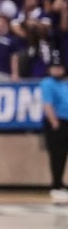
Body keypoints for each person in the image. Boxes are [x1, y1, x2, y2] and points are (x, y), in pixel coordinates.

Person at [42, 52, 68, 203]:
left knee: (63, 155)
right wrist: (54, 122)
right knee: (56, 155)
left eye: (59, 68)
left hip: (66, 122)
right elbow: (48, 103)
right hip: (57, 122)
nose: (57, 70)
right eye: (54, 68)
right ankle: (55, 185)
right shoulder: (47, 83)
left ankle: (60, 183)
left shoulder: (64, 83)